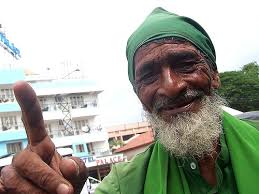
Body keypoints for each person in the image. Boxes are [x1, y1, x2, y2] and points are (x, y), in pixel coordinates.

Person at [0, 6, 259, 194]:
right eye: (148, 75)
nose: (170, 87)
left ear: (214, 75)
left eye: (185, 64)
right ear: (139, 95)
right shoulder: (125, 185)